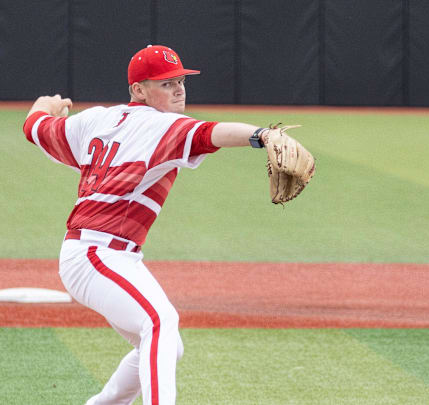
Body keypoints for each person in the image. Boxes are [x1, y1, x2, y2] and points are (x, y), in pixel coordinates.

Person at [23, 45, 277, 405]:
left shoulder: (94, 120)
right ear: (138, 90)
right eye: (165, 83)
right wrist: (262, 136)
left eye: (180, 81)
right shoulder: (162, 125)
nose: (178, 89)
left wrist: (44, 105)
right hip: (98, 254)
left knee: (165, 344)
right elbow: (212, 133)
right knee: (160, 323)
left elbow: (35, 128)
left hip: (101, 255)